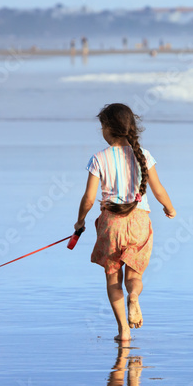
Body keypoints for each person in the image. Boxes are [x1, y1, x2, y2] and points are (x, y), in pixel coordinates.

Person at [75, 103, 176, 343]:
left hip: (111, 223)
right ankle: (134, 296)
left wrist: (80, 221)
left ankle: (124, 331)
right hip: (139, 221)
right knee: (134, 276)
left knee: (113, 278)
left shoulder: (98, 158)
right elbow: (158, 188)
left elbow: (89, 198)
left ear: (107, 128)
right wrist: (169, 208)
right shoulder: (144, 155)